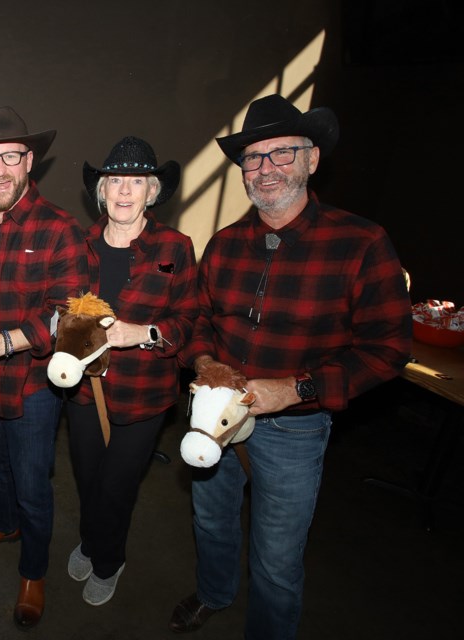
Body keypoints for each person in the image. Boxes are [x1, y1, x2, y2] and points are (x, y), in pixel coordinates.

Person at [169, 94, 411, 639]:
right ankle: (214, 592)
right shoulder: (226, 244)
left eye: (283, 153)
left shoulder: (362, 243)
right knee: (210, 518)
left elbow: (389, 348)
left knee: (276, 557)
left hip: (294, 430)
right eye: (254, 158)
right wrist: (205, 362)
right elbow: (200, 318)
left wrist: (295, 388)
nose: (267, 168)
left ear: (312, 159)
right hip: (214, 410)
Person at [0, 106, 88, 630]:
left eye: (11, 157)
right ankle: (3, 526)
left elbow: (67, 312)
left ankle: (33, 570)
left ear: (30, 161)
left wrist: (2, 343)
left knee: (32, 481)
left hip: (32, 384)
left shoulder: (61, 230)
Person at [66, 136, 198, 606]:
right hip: (84, 392)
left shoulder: (175, 247)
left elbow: (188, 321)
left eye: (136, 181)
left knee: (117, 486)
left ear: (152, 191)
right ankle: (90, 538)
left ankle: (109, 560)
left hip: (144, 395)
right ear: (101, 190)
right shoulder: (78, 246)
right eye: (114, 180)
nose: (124, 190)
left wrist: (140, 333)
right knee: (87, 477)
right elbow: (56, 308)